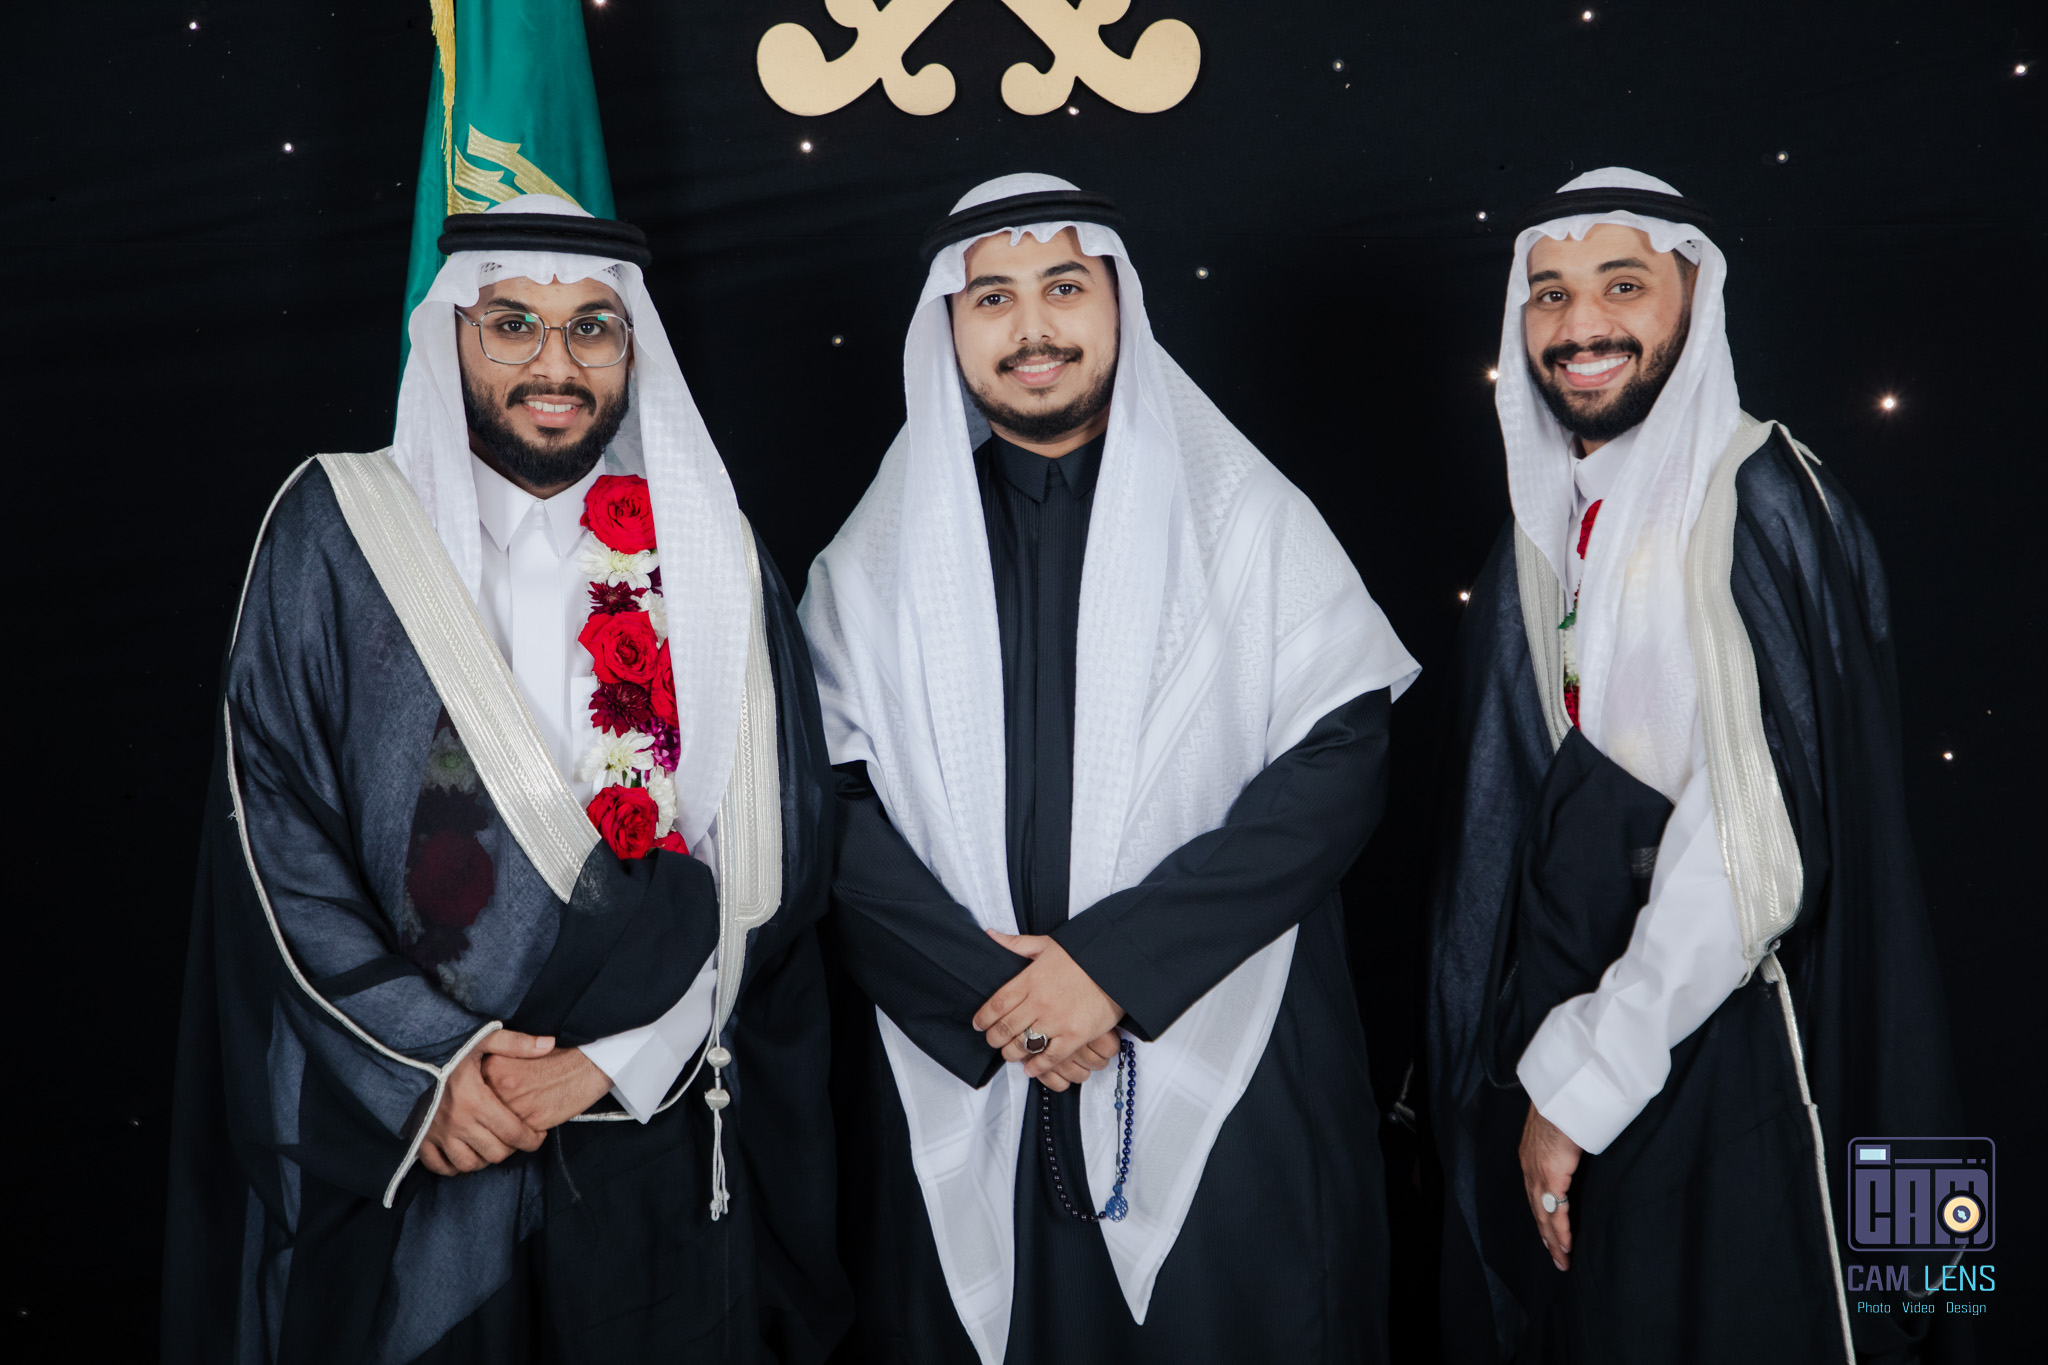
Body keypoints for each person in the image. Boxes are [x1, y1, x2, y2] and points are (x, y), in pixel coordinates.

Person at [163, 195, 849, 1364]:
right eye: (513, 323)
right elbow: (275, 835)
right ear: (453, 336)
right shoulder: (338, 530)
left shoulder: (709, 551)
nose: (555, 364)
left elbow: (775, 848)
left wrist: (609, 1065)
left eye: (592, 327)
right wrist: (430, 1068)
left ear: (630, 348)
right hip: (422, 1127)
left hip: (646, 1128)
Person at [801, 173, 1420, 1364]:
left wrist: (1112, 971)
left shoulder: (1245, 517)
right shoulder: (872, 560)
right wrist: (996, 998)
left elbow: (1338, 762)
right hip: (967, 1047)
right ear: (948, 329)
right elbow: (821, 804)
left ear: (1118, 305)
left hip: (1221, 1038)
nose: (1031, 328)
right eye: (992, 298)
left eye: (1063, 288)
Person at [1425, 168, 1964, 1364]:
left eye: (1621, 286)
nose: (1579, 324)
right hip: (1602, 1037)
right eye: (1549, 293)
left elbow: (1750, 850)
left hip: (1739, 1051)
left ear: (1693, 300)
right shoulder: (1552, 523)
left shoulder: (1758, 498)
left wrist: (1582, 1087)